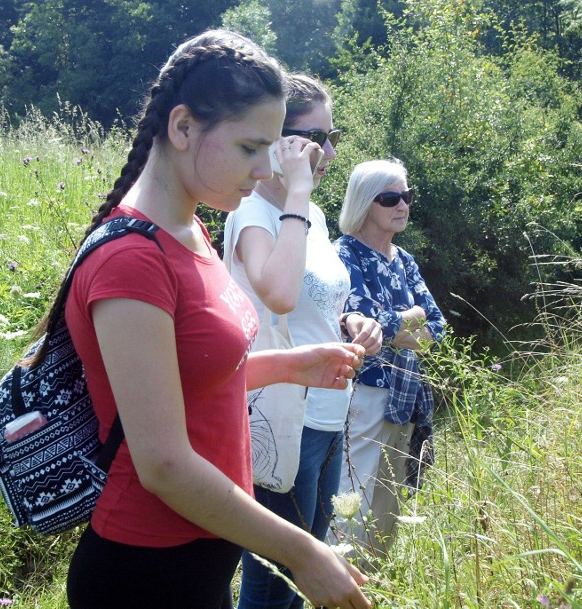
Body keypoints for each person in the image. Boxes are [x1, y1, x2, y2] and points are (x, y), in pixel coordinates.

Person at [23, 30, 371, 609]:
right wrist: (303, 551)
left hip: (204, 550)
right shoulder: (132, 259)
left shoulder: (190, 229)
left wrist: (288, 365)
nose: (265, 169)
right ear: (183, 128)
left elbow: (189, 382)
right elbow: (162, 463)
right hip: (146, 569)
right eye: (250, 148)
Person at [224, 74, 382, 609]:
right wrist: (296, 187)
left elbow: (319, 302)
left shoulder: (309, 213)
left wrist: (354, 322)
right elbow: (279, 293)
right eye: (319, 139)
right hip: (281, 417)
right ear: (282, 139)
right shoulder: (252, 212)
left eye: (332, 136)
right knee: (275, 582)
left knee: (308, 570)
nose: (330, 153)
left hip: (331, 408)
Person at [331, 159, 446, 564]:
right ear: (365, 201)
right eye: (390, 197)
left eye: (406, 196)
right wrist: (407, 318)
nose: (403, 205)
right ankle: (339, 582)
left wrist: (398, 326)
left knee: (389, 503)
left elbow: (437, 327)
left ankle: (372, 585)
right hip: (364, 393)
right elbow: (367, 334)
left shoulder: (405, 260)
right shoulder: (344, 255)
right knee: (352, 495)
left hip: (406, 395)